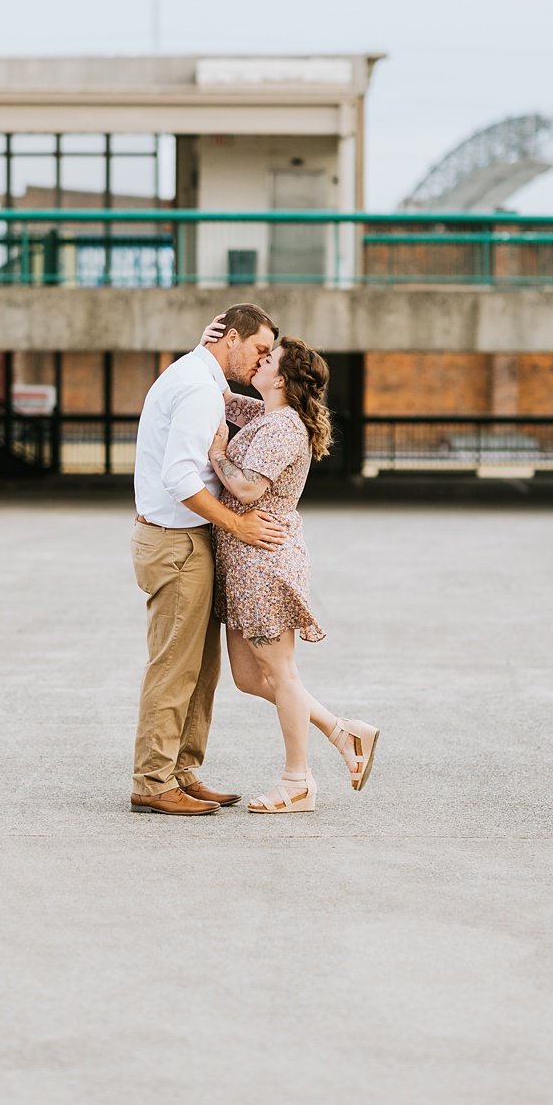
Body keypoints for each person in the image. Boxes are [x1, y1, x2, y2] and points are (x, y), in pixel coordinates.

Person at [209, 335, 380, 813]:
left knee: (281, 673)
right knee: (248, 677)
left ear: (281, 378)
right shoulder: (266, 415)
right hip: (244, 561)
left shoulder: (283, 427)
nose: (258, 362)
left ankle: (297, 780)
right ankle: (341, 731)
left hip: (265, 562)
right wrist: (209, 343)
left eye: (267, 359)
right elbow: (219, 394)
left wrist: (218, 454)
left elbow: (245, 488)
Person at [130, 304, 287, 816]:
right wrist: (238, 523)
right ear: (234, 338)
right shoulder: (198, 387)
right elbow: (179, 478)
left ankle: (181, 770)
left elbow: (265, 408)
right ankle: (154, 781)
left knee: (202, 666)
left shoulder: (199, 374)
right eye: (259, 349)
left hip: (189, 538)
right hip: (176, 544)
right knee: (175, 666)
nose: (261, 361)